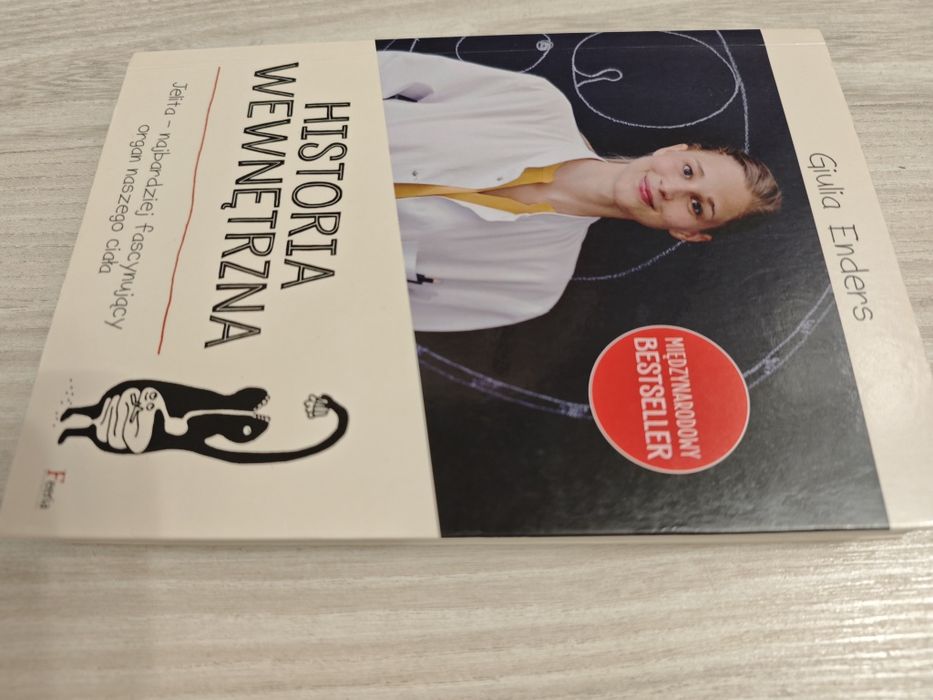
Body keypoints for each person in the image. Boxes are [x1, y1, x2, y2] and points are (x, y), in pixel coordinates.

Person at [378, 50, 781, 332]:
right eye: (688, 170)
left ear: (688, 234)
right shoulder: (536, 103)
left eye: (696, 206)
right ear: (674, 150)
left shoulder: (532, 288)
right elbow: (382, 71)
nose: (669, 187)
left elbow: (380, 317)